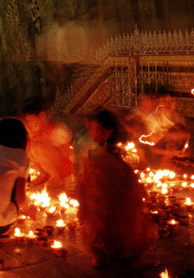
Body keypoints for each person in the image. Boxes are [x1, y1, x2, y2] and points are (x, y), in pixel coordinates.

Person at [78, 110, 156, 269]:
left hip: (115, 224)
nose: (93, 132)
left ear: (108, 131)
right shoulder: (103, 157)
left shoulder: (105, 160)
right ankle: (111, 252)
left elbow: (130, 190)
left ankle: (110, 253)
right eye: (91, 128)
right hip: (111, 220)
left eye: (97, 129)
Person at [20, 100, 74, 190]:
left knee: (37, 148)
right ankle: (43, 174)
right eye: (28, 121)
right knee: (30, 147)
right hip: (50, 167)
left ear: (42, 116)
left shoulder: (56, 130)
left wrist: (47, 145)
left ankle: (57, 178)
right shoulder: (38, 134)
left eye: (31, 120)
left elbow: (67, 152)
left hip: (63, 168)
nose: (30, 124)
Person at [144, 91, 190, 161]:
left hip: (173, 154)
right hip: (156, 154)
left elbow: (184, 141)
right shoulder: (153, 118)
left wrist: (184, 150)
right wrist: (169, 152)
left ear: (176, 103)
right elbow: (152, 147)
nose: (167, 104)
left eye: (171, 101)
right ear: (159, 102)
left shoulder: (180, 119)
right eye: (164, 101)